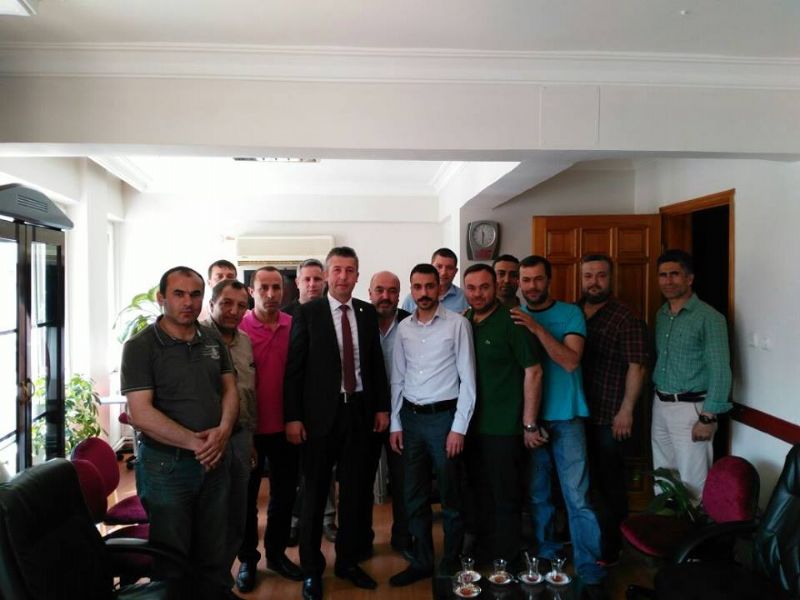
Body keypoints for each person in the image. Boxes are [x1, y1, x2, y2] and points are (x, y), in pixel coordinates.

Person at [121, 266, 238, 600]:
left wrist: (224, 431)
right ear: (162, 298)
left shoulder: (212, 338)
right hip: (166, 467)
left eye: (195, 294)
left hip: (215, 461)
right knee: (172, 557)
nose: (188, 302)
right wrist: (197, 444)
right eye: (179, 294)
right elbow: (141, 413)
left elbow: (230, 390)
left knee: (214, 548)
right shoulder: (141, 346)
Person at [284, 247, 389, 600]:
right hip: (318, 419)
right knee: (314, 495)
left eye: (350, 270)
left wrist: (381, 407)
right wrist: (293, 417)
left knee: (356, 495)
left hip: (358, 414)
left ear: (358, 275)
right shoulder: (307, 312)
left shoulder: (366, 312)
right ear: (328, 275)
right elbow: (295, 369)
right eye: (337, 270)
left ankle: (347, 561)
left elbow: (375, 364)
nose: (343, 276)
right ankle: (312, 569)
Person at [511, 255, 606, 590]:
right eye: (526, 280)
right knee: (538, 496)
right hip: (531, 421)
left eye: (538, 279)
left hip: (567, 418)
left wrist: (536, 327)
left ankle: (589, 566)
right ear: (518, 283)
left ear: (549, 280)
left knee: (577, 497)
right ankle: (547, 556)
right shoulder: (513, 317)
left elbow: (569, 361)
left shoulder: (570, 313)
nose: (532, 286)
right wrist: (526, 422)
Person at [388, 263, 476, 587]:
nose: (423, 293)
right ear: (411, 290)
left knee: (451, 496)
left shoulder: (458, 325)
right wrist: (395, 424)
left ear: (439, 287)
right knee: (414, 496)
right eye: (417, 287)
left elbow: (468, 380)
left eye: (429, 286)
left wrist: (459, 428)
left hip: (445, 420)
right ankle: (422, 560)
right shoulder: (404, 328)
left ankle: (450, 561)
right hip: (411, 421)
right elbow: (398, 378)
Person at [463, 263, 543, 568]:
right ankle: (485, 552)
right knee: (479, 493)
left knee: (505, 497)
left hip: (505, 428)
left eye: (484, 287)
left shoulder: (513, 322)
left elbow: (534, 371)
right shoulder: (465, 321)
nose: (478, 294)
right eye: (471, 288)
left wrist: (529, 423)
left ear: (496, 287)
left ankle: (507, 559)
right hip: (471, 427)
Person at [578, 254, 649, 565]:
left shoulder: (625, 316)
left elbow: (637, 366)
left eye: (601, 275)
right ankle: (586, 539)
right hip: (579, 414)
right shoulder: (574, 312)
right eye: (588, 276)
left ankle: (611, 547)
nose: (594, 282)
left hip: (611, 416)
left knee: (610, 485)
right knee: (585, 482)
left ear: (611, 278)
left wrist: (626, 410)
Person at [235, 267, 302, 592]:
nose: (272, 294)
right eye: (264, 288)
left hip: (286, 427)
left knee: (284, 495)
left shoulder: (294, 325)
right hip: (249, 430)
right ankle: (248, 559)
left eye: (277, 287)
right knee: (246, 499)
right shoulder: (239, 328)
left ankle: (276, 554)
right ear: (252, 291)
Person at [653, 249, 731, 500]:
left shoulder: (710, 318)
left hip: (692, 409)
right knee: (663, 476)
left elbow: (720, 369)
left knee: (693, 481)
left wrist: (708, 417)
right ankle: (666, 523)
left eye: (674, 274)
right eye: (663, 275)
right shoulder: (661, 315)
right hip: (660, 403)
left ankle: (695, 527)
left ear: (689, 278)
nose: (668, 280)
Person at [200, 279, 258, 594]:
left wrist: (250, 439)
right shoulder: (195, 339)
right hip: (205, 442)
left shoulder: (245, 341)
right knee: (209, 516)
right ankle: (204, 584)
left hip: (240, 438)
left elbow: (248, 393)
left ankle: (220, 581)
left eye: (241, 305)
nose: (234, 311)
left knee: (238, 512)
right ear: (212, 304)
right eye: (226, 304)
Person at [283, 258, 338, 546]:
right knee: (295, 472)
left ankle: (327, 519)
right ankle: (295, 521)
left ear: (325, 280)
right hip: (293, 407)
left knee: (325, 469)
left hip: (325, 408)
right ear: (298, 282)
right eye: (307, 279)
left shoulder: (334, 313)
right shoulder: (285, 316)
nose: (313, 284)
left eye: (318, 279)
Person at [367, 270, 412, 558]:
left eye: (392, 291)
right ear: (370, 293)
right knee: (360, 482)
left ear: (399, 294)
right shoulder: (358, 322)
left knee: (404, 481)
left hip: (402, 414)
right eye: (380, 290)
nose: (386, 296)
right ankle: (361, 540)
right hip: (366, 415)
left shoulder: (411, 322)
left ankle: (403, 538)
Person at [400, 248, 468, 313]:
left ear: (455, 271)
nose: (443, 272)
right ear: (431, 267)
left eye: (449, 268)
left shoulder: (464, 298)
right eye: (439, 266)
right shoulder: (411, 300)